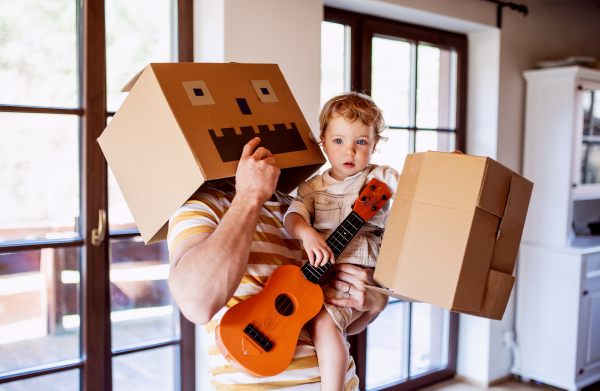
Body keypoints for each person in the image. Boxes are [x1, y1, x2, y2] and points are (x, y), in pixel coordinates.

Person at [167, 136, 390, 390]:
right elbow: (196, 304)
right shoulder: (201, 208)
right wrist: (250, 196)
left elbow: (333, 318)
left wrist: (373, 305)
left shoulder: (300, 214)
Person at [283, 92, 399, 391]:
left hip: (360, 270)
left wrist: (442, 167)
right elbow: (293, 217)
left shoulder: (380, 177)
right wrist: (306, 232)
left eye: (361, 142)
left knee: (324, 323)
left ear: (374, 145)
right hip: (320, 276)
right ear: (322, 141)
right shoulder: (312, 187)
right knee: (309, 324)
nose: (350, 151)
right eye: (339, 141)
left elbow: (415, 186)